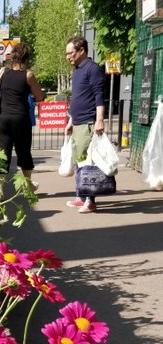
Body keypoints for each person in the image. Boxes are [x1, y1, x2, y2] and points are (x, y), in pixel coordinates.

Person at [0, 42, 44, 187]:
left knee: (2, 153)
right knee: (24, 152)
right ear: (26, 59)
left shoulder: (2, 72)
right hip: (21, 119)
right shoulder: (28, 75)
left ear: (12, 57)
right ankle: (28, 185)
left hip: (3, 118)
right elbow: (39, 96)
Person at [64, 35, 106, 214]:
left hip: (88, 122)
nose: (68, 56)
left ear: (81, 50)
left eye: (70, 53)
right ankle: (81, 196)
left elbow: (99, 96)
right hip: (78, 122)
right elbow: (77, 97)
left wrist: (99, 120)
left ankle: (90, 200)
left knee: (87, 162)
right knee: (78, 160)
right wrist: (71, 120)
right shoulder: (78, 69)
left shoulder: (92, 68)